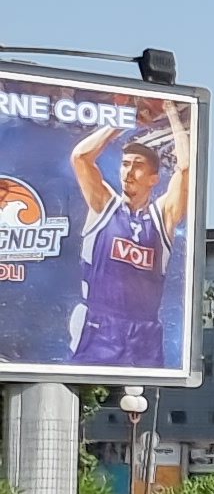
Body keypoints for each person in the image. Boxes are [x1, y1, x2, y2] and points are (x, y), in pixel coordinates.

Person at [67, 108, 190, 370]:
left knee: (142, 402)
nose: (129, 171)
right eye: (125, 164)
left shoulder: (161, 217)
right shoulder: (105, 205)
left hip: (144, 331)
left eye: (138, 166)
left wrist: (171, 112)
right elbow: (80, 157)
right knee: (77, 394)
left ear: (153, 179)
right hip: (100, 324)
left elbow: (186, 168)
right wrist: (121, 122)